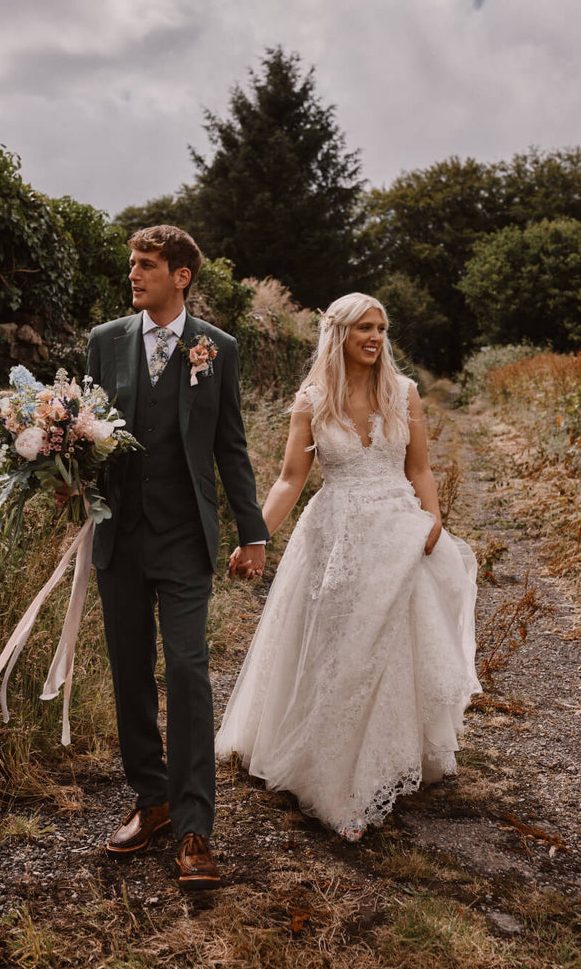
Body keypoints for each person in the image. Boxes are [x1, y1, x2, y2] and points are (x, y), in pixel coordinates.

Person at [219, 293, 481, 840]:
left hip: (399, 531)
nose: (375, 337)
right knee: (341, 643)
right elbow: (291, 478)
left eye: (382, 328)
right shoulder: (312, 400)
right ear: (338, 333)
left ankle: (389, 757)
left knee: (393, 645)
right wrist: (254, 536)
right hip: (335, 533)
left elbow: (421, 468)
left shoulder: (404, 393)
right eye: (364, 327)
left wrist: (433, 520)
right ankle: (329, 760)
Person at [87, 225, 267, 889]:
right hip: (119, 536)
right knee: (130, 673)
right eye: (132, 264)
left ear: (181, 276)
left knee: (188, 673)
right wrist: (61, 470)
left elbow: (230, 447)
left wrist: (253, 533)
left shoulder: (217, 348)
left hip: (186, 537)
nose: (133, 274)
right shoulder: (105, 341)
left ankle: (196, 827)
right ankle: (153, 800)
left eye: (146, 265)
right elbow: (88, 428)